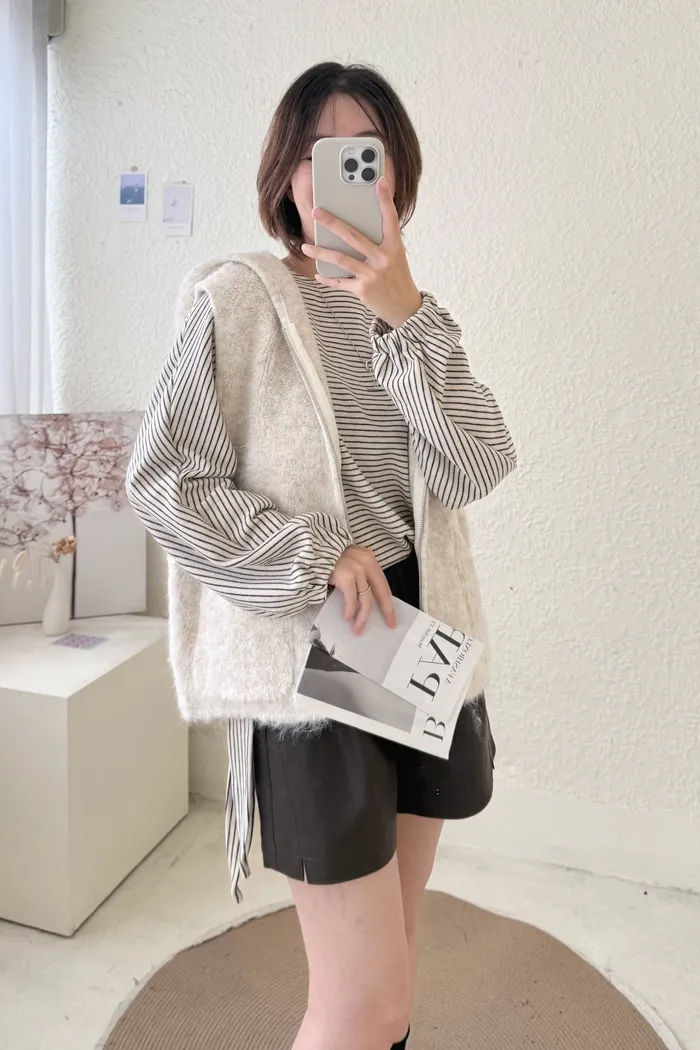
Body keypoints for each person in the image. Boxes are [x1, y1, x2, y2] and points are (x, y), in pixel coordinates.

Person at [126, 61, 517, 1050]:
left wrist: (404, 315)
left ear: (394, 173)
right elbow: (165, 480)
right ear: (286, 175)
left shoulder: (415, 315)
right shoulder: (239, 300)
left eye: (362, 151)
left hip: (415, 629)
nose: (336, 171)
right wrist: (308, 554)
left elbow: (477, 464)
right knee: (361, 1001)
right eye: (316, 151)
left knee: (397, 957)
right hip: (313, 640)